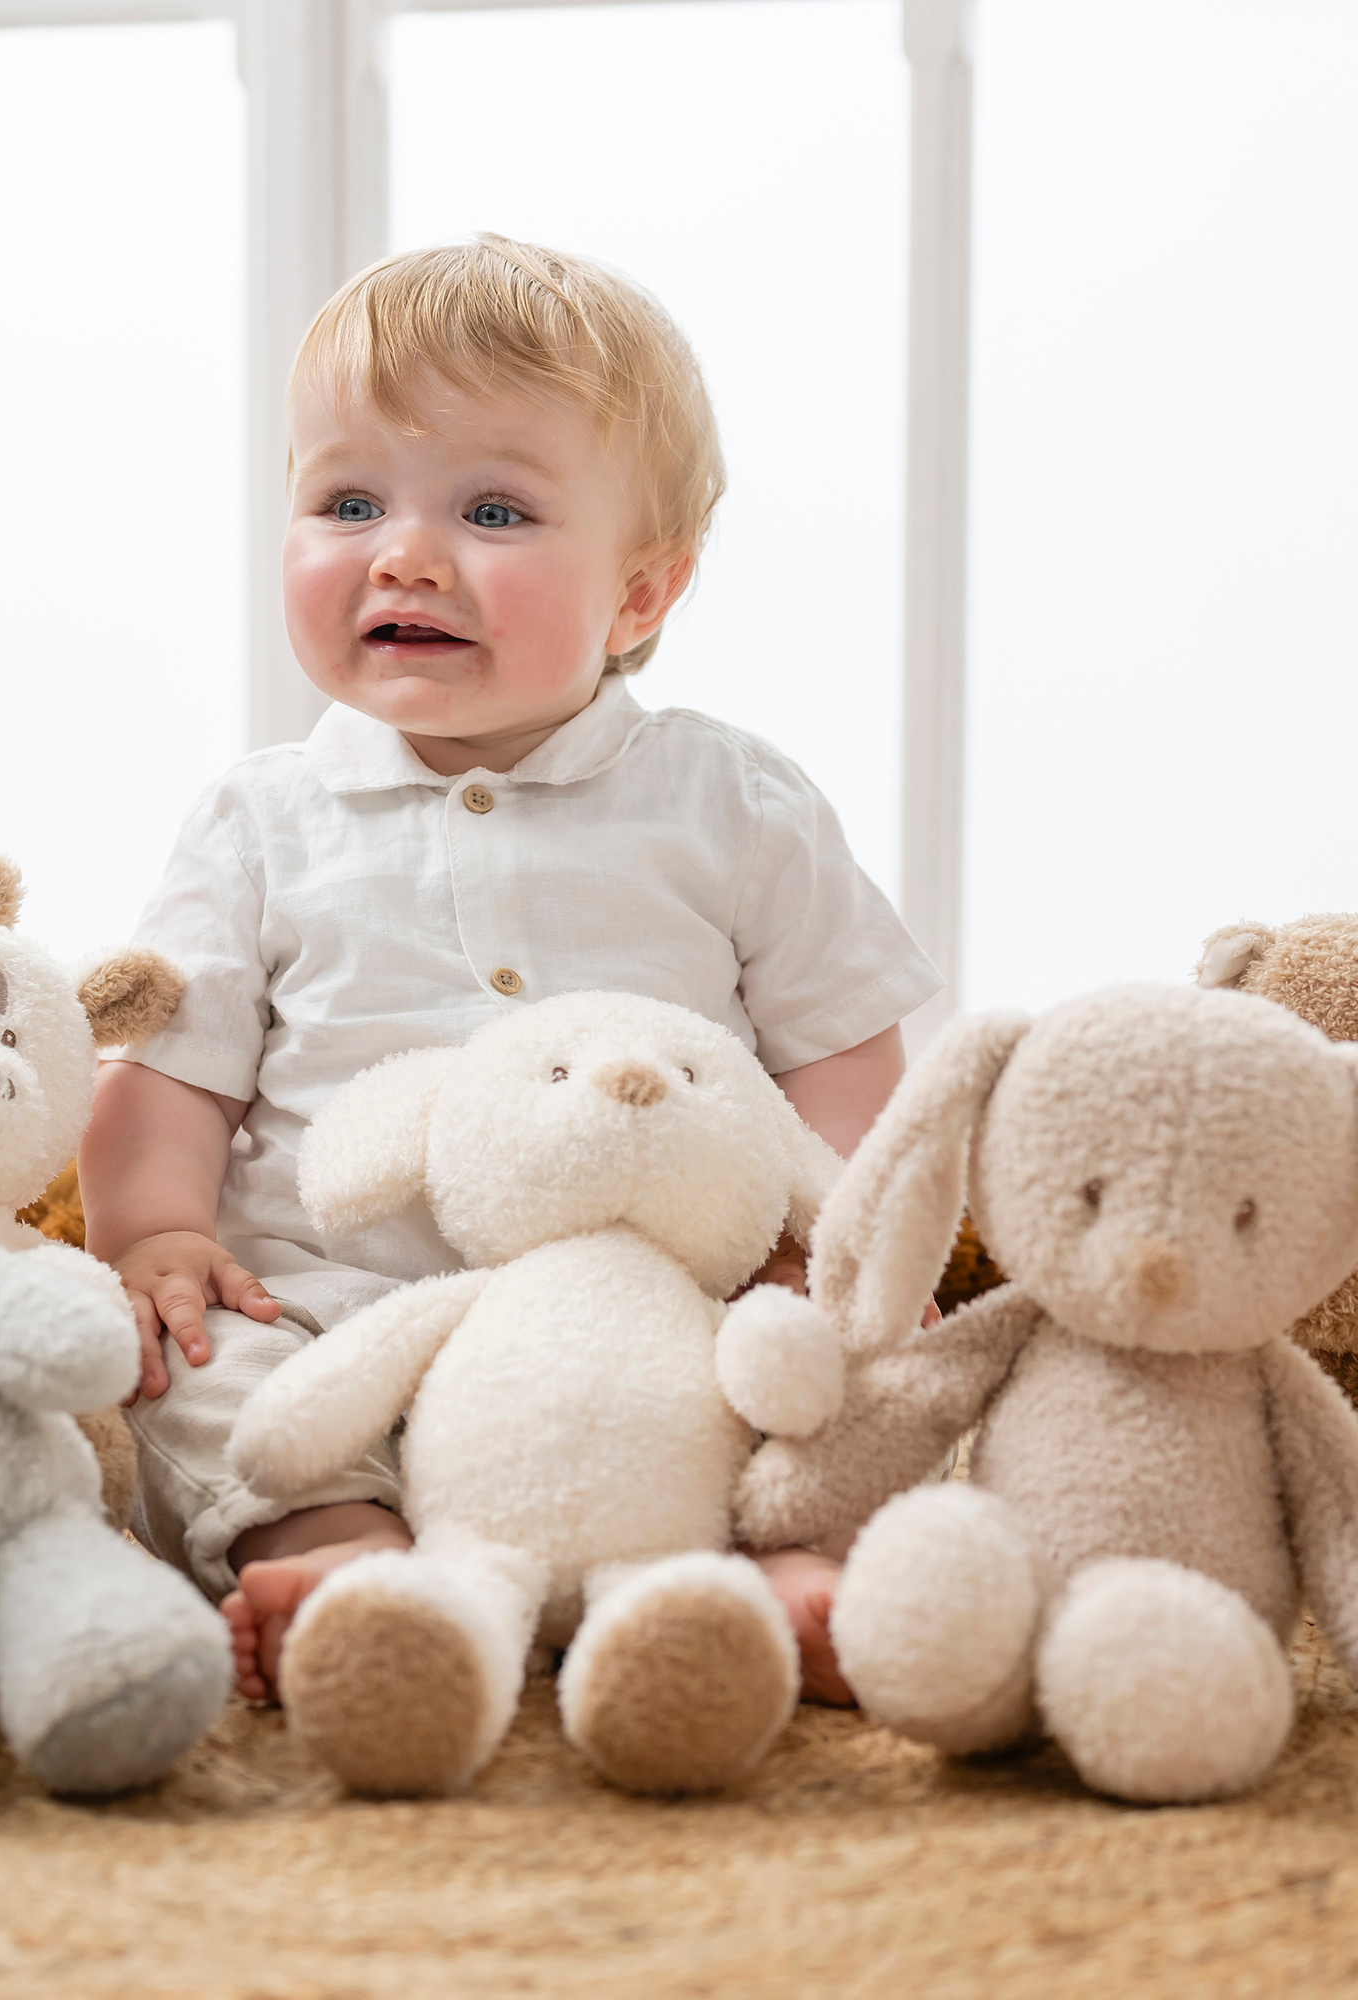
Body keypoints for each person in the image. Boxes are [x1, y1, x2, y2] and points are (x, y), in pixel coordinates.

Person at [78, 234, 942, 1706]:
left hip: (662, 1312)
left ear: (640, 596)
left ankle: (777, 1579)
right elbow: (168, 1069)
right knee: (193, 1370)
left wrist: (821, 1255)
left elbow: (847, 1057)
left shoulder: (729, 801)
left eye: (492, 509)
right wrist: (154, 1234)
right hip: (336, 1304)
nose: (403, 553)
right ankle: (346, 1555)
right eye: (348, 501)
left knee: (833, 1382)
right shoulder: (262, 820)